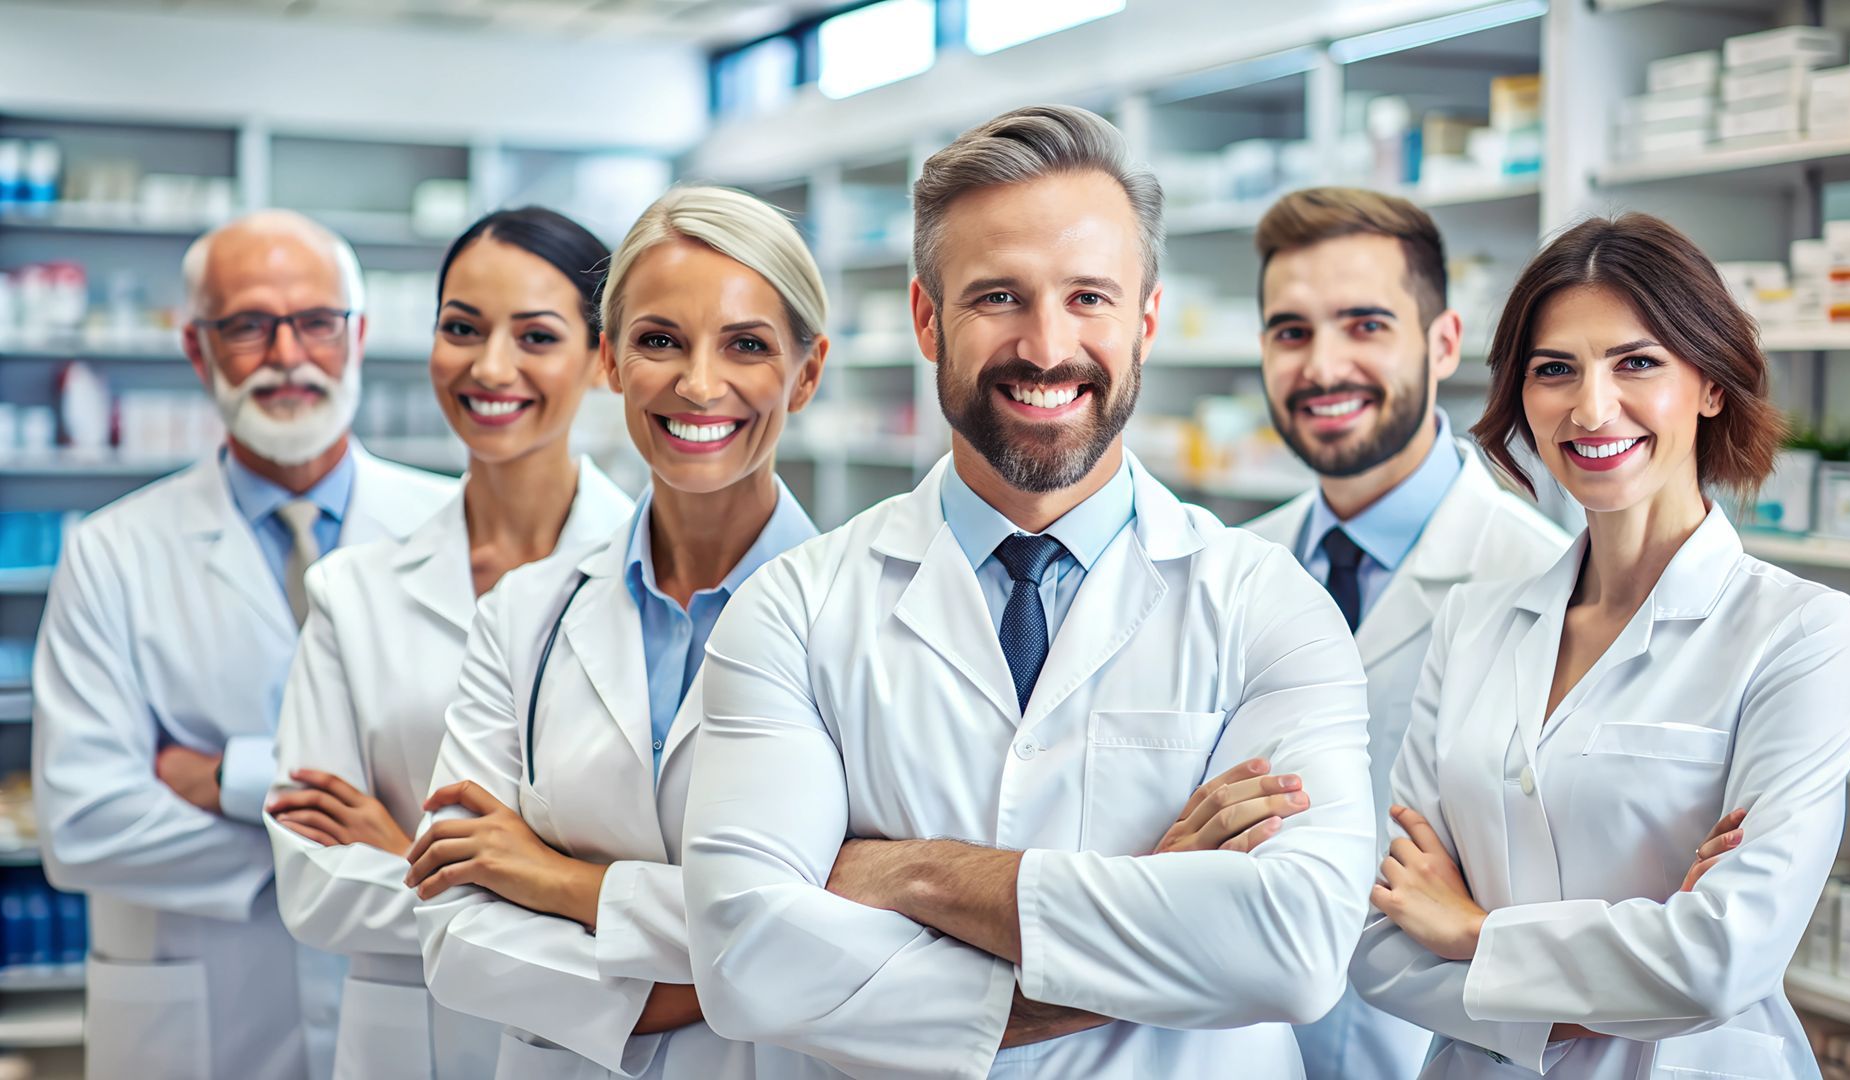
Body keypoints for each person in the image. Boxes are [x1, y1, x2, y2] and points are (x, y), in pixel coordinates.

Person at [679, 104, 1375, 1079]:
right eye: (999, 296)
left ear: (1146, 319)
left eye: (1088, 297)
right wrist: (1154, 909)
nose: (1047, 347)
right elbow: (747, 964)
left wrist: (909, 872)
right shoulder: (793, 610)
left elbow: (1296, 951)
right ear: (928, 318)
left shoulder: (1271, 608)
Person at [1351, 212, 1850, 1078]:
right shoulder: (1472, 625)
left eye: (1637, 362)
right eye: (1554, 370)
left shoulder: (1802, 635)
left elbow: (1720, 960)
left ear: (1710, 383)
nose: (1592, 407)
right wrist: (1599, 992)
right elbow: (1383, 944)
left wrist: (1475, 931)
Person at [405, 186, 826, 1079]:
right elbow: (454, 932)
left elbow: (860, 935)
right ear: (609, 359)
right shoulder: (527, 613)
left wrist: (564, 885)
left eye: (746, 344)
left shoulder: (863, 620)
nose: (699, 383)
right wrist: (737, 968)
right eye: (660, 340)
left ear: (808, 371)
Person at [31, 210, 456, 1080]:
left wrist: (225, 778)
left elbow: (490, 801)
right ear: (197, 350)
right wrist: (364, 838)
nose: (287, 355)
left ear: (360, 336)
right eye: (248, 326)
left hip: (406, 1002)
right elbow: (83, 824)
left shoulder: (454, 531)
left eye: (315, 323)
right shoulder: (111, 551)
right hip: (198, 1025)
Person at [262, 207, 634, 1079]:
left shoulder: (656, 585)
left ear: (601, 357)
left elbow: (687, 885)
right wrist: (555, 888)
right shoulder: (353, 592)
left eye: (535, 335)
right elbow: (312, 885)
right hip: (404, 1041)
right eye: (461, 328)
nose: (490, 367)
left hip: (590, 1051)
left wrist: (405, 856)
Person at [1241, 187, 1568, 1078]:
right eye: (1291, 332)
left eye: (1365, 324)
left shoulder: (1542, 580)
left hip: (1446, 1046)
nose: (1322, 366)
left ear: (1444, 342)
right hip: (1243, 1041)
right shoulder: (1234, 568)